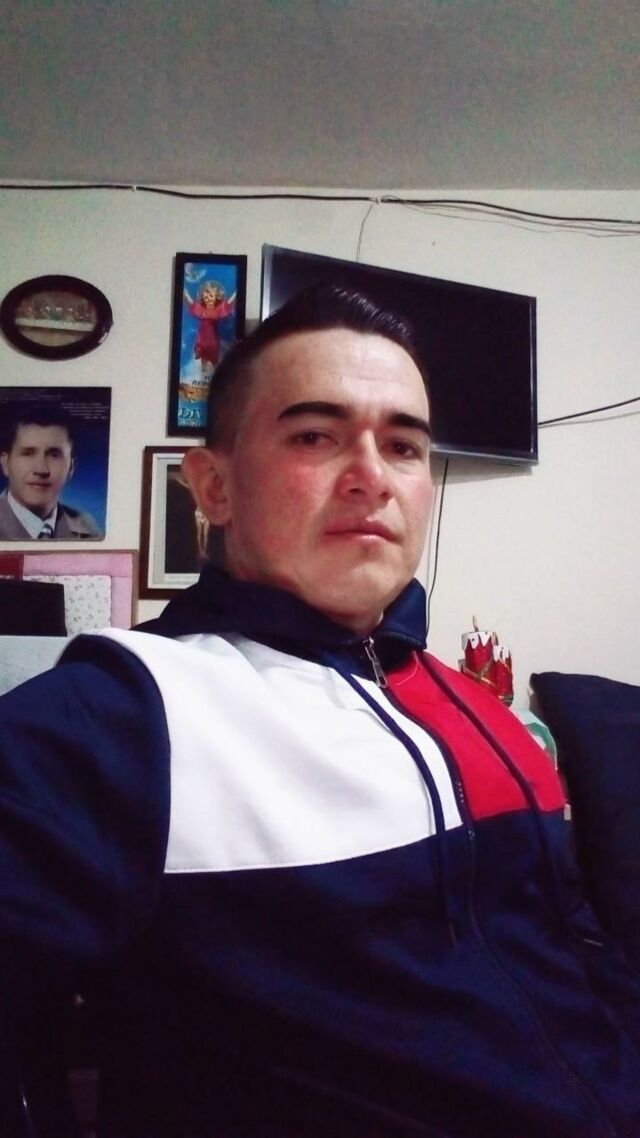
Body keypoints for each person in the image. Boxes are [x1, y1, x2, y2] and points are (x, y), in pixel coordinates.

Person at [1, 284, 640, 1138]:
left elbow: (579, 945)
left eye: (403, 446)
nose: (372, 476)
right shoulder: (123, 714)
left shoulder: (477, 705)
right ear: (214, 487)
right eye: (315, 436)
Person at [0, 409, 102, 540]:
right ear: (5, 464)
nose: (41, 469)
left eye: (54, 455)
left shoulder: (88, 528)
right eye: (28, 454)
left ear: (71, 467)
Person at [183, 279, 237, 376]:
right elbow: (191, 305)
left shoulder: (218, 310)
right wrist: (186, 295)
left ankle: (216, 373)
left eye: (211, 296)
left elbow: (229, 304)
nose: (208, 299)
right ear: (202, 297)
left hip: (213, 340)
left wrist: (236, 294)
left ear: (217, 297)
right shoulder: (200, 309)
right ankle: (203, 371)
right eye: (206, 297)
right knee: (203, 356)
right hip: (202, 339)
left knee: (214, 357)